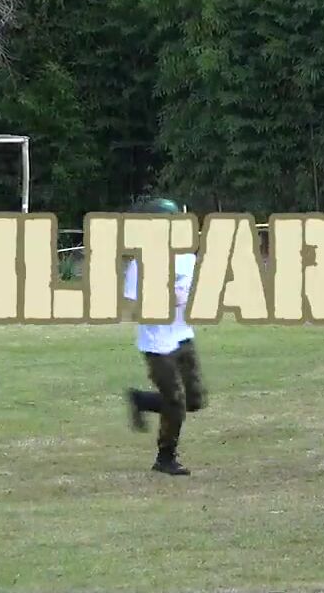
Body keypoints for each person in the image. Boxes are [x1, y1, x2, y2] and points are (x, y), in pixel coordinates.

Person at [122, 197, 207, 476]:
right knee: (176, 399)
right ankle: (165, 457)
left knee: (194, 401)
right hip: (156, 343)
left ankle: (142, 400)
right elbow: (133, 309)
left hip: (183, 337)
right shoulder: (140, 264)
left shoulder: (187, 258)